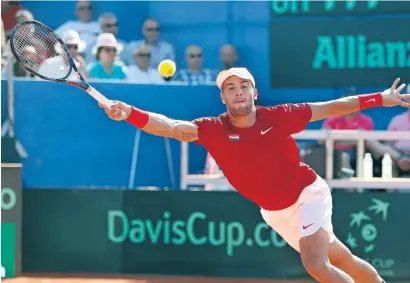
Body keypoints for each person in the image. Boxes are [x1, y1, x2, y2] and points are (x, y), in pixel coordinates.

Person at [99, 67, 409, 283]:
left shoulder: (279, 116)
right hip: (275, 213)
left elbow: (330, 108)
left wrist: (379, 98)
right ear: (223, 97)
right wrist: (129, 113)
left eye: (243, 86)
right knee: (342, 260)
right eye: (230, 88)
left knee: (316, 265)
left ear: (254, 92)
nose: (237, 92)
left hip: (307, 194)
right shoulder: (212, 128)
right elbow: (167, 126)